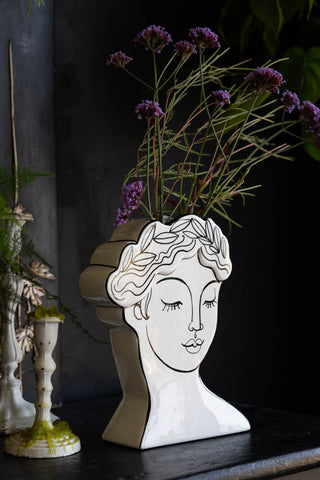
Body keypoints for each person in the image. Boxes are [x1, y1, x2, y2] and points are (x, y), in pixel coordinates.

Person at [101, 215, 250, 449]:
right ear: (136, 309)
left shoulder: (226, 421)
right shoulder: (139, 425)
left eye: (209, 301)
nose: (196, 323)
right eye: (174, 303)